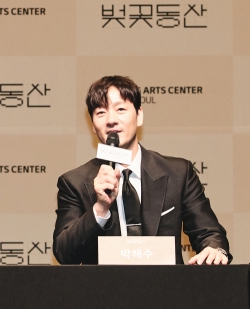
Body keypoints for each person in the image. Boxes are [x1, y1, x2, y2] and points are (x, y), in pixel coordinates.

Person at [53, 76, 231, 265]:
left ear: (139, 116)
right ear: (93, 127)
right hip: (104, 292)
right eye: (101, 112)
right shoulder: (74, 182)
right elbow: (64, 254)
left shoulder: (178, 173)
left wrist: (214, 249)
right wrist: (100, 209)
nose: (111, 120)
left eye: (121, 109)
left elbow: (209, 232)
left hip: (166, 289)